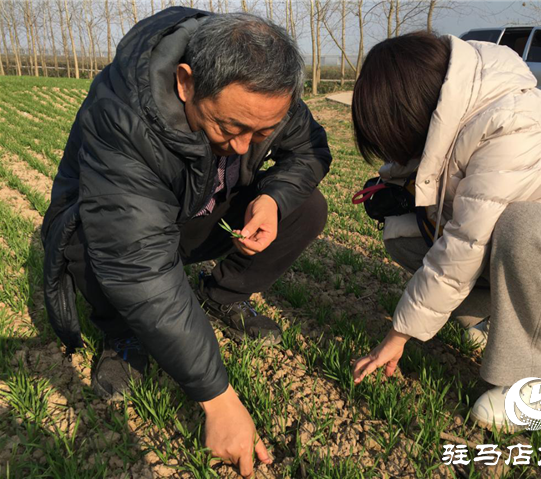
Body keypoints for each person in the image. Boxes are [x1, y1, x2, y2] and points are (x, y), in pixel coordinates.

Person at [42, 7, 331, 476]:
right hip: (114, 229)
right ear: (186, 82)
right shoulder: (122, 115)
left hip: (191, 215)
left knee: (307, 206)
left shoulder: (265, 94)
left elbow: (310, 149)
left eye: (261, 132)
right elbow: (136, 263)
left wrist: (272, 201)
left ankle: (223, 296)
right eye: (229, 128)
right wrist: (218, 400)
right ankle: (122, 334)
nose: (244, 145)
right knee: (96, 244)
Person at [350, 31, 541, 430]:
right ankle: (487, 322)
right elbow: (434, 165)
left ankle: (536, 387)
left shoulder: (509, 122)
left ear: (414, 111)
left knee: (524, 227)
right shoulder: (464, 108)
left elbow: (463, 245)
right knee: (405, 234)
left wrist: (398, 335)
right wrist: (389, 185)